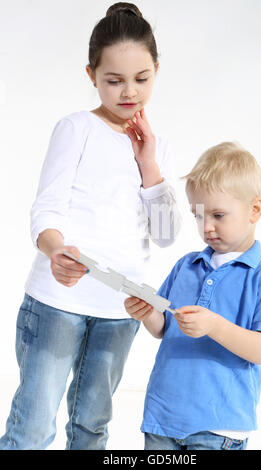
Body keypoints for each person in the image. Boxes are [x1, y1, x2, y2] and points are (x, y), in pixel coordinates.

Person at [0, 3, 181, 450]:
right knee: (33, 428)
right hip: (57, 302)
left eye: (141, 79)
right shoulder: (76, 128)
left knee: (91, 427)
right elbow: (46, 211)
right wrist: (55, 250)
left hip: (120, 312)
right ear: (91, 74)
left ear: (156, 70)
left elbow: (164, 234)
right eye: (113, 80)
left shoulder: (156, 149)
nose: (128, 93)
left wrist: (149, 165)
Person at [125, 142, 261, 451]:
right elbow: (163, 328)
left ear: (255, 210)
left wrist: (215, 326)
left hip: (218, 426)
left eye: (218, 215)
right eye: (198, 216)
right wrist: (147, 312)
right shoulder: (187, 265)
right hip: (163, 416)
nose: (206, 227)